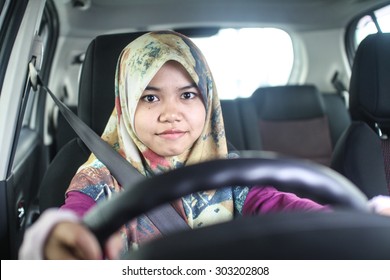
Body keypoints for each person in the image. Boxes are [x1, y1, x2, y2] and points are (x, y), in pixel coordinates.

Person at [19, 31, 390, 260]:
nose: (171, 113)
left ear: (209, 103)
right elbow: (77, 215)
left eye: (187, 95)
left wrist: (353, 223)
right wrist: (58, 239)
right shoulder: (99, 173)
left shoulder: (228, 166)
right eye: (149, 98)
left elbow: (280, 206)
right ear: (123, 104)